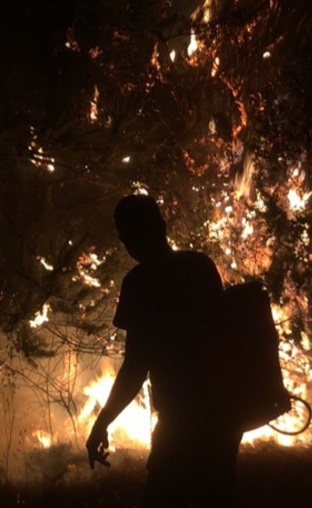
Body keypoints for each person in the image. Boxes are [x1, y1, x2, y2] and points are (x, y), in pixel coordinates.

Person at [86, 194, 244, 508]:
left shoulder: (140, 283)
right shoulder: (200, 266)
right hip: (223, 417)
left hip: (181, 421)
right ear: (162, 225)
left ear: (125, 240)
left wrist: (102, 423)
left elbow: (135, 368)